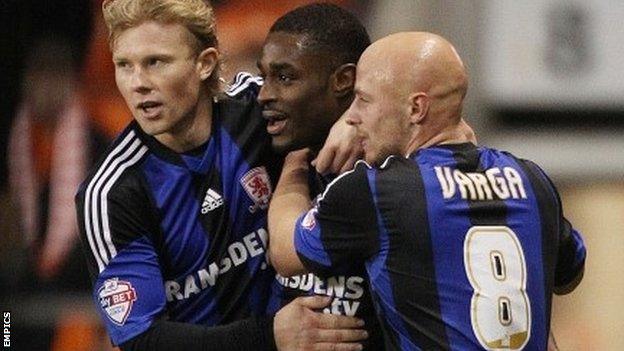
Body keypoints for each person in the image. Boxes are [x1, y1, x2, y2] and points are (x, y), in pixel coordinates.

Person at [75, 1, 367, 350]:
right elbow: (141, 339)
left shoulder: (258, 108)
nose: (138, 83)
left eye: (156, 62)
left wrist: (356, 121)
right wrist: (269, 335)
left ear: (205, 63)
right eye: (124, 65)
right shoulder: (111, 193)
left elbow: (340, 84)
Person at [268, 32, 586, 350]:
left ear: (416, 109)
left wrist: (297, 159)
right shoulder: (532, 180)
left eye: (363, 100)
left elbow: (284, 250)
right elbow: (568, 276)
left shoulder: (377, 192)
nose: (351, 117)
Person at [256, 3, 383, 350]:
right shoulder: (268, 141)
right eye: (264, 75)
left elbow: (285, 251)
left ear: (344, 80)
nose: (264, 94)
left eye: (285, 77)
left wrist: (356, 117)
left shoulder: (387, 170)